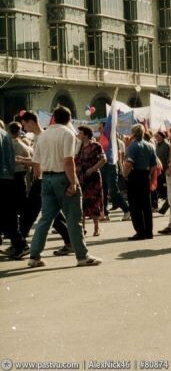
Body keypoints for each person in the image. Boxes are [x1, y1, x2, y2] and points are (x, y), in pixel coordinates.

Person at [27, 106, 102, 267]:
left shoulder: (43, 135)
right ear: (69, 119)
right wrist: (73, 183)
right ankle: (82, 256)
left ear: (53, 118)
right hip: (63, 177)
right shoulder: (67, 134)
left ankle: (34, 256)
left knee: (45, 219)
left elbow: (36, 161)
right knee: (74, 219)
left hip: (46, 178)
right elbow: (68, 161)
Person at [18, 112, 73, 255]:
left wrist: (24, 162)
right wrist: (26, 161)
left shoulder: (43, 137)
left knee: (33, 212)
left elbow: (40, 162)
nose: (24, 128)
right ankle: (70, 240)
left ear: (31, 122)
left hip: (44, 179)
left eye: (24, 124)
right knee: (50, 214)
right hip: (44, 178)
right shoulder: (40, 137)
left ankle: (21, 243)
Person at [123, 124, 157, 240]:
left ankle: (140, 231)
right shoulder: (150, 146)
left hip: (135, 175)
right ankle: (149, 231)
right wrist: (148, 174)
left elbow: (129, 164)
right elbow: (153, 165)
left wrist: (125, 174)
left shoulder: (132, 147)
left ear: (133, 133)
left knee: (135, 205)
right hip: (145, 175)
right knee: (146, 205)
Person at [0, 123, 28, 260]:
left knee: (6, 215)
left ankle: (20, 244)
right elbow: (11, 160)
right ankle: (20, 244)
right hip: (8, 178)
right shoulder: (5, 135)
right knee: (7, 214)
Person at [75, 126, 106, 236]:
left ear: (86, 135)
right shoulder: (78, 147)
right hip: (81, 178)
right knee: (81, 203)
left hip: (93, 178)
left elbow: (103, 159)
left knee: (94, 202)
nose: (78, 134)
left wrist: (92, 169)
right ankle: (82, 228)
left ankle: (96, 228)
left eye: (80, 133)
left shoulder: (95, 146)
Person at [97, 121, 130, 221]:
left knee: (113, 191)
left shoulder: (112, 139)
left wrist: (121, 168)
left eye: (100, 128)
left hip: (111, 166)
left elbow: (119, 154)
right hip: (103, 166)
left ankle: (127, 210)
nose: (99, 130)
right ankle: (105, 214)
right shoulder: (101, 139)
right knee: (103, 191)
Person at [154, 131, 171, 214]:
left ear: (162, 136)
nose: (156, 137)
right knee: (159, 188)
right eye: (156, 136)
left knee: (168, 190)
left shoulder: (167, 145)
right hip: (158, 170)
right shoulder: (157, 145)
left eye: (157, 136)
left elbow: (169, 158)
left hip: (165, 170)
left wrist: (167, 170)